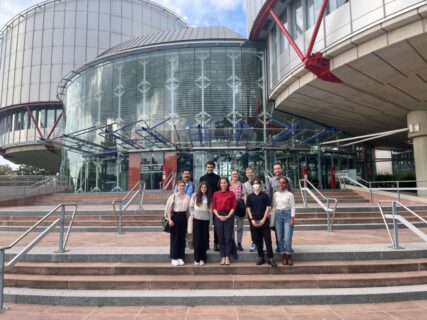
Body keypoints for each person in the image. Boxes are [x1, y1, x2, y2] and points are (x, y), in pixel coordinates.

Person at [246, 178, 276, 267]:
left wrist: (263, 219)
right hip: (254, 220)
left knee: (267, 239)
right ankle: (261, 257)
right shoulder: (250, 196)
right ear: (252, 186)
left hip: (264, 220)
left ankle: (270, 258)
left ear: (260, 184)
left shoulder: (265, 195)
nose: (256, 185)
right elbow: (248, 208)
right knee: (258, 240)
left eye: (257, 183)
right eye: (254, 183)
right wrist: (251, 219)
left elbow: (268, 207)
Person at [266, 162, 294, 252]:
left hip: (286, 209)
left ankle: (288, 246)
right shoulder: (271, 181)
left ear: (282, 169)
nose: (277, 170)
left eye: (278, 168)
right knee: (276, 228)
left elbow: (291, 193)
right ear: (273, 171)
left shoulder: (288, 180)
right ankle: (279, 245)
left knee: (288, 230)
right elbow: (269, 195)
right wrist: (269, 209)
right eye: (275, 169)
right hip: (275, 209)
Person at [165, 180, 191, 266]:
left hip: (184, 218)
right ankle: (174, 257)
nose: (181, 187)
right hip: (175, 217)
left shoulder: (188, 197)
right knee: (175, 238)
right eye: (180, 186)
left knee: (182, 238)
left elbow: (189, 210)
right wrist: (169, 219)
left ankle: (180, 256)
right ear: (177, 186)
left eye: (183, 186)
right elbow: (169, 209)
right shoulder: (173, 196)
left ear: (185, 187)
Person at [212, 177, 236, 265]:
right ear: (219, 184)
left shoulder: (231, 193)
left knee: (228, 237)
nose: (223, 184)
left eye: (225, 182)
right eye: (222, 183)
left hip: (229, 215)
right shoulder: (215, 194)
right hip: (218, 216)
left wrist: (228, 216)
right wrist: (218, 216)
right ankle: (222, 257)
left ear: (227, 183)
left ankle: (227, 257)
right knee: (221, 237)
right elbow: (213, 207)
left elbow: (234, 206)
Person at [273, 177, 296, 265]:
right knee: (279, 238)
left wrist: (292, 218)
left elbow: (293, 206)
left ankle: (289, 255)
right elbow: (274, 206)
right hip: (278, 216)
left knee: (287, 238)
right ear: (278, 183)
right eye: (280, 182)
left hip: (287, 215)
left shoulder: (290, 194)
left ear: (286, 184)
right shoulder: (275, 194)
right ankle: (283, 255)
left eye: (283, 183)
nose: (281, 184)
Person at [242, 167, 264, 253]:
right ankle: (254, 243)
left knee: (262, 226)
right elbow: (245, 197)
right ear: (246, 174)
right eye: (247, 172)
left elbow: (263, 192)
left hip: (260, 208)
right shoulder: (245, 184)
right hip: (251, 209)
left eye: (250, 172)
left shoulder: (260, 182)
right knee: (253, 227)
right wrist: (247, 208)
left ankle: (261, 244)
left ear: (253, 173)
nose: (249, 174)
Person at [200, 161, 220, 251]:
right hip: (205, 204)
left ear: (214, 168)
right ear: (206, 167)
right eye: (208, 167)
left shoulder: (217, 177)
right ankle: (206, 243)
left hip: (216, 203)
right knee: (205, 224)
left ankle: (216, 243)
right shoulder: (202, 178)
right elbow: (200, 191)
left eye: (211, 167)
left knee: (216, 224)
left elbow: (219, 191)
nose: (210, 168)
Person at [189, 181, 212, 265]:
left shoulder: (209, 197)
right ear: (200, 188)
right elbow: (191, 207)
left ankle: (203, 258)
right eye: (202, 187)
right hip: (197, 220)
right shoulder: (194, 195)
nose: (203, 189)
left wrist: (210, 223)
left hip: (205, 221)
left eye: (205, 187)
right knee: (197, 239)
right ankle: (196, 258)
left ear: (207, 188)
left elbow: (210, 212)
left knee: (204, 239)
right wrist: (192, 214)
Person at [174, 169, 196, 249]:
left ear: (190, 175)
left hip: (189, 209)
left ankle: (190, 243)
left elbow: (195, 196)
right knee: (181, 227)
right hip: (180, 210)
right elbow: (174, 196)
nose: (186, 175)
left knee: (190, 227)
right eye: (185, 173)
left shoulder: (193, 185)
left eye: (188, 173)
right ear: (182, 175)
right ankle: (182, 243)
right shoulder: (178, 185)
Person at [230, 170, 244, 251]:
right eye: (233, 174)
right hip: (230, 207)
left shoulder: (241, 184)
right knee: (231, 226)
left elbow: (244, 195)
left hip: (239, 207)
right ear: (231, 175)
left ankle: (239, 243)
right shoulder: (228, 185)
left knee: (240, 226)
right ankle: (232, 243)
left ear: (237, 175)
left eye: (235, 174)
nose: (234, 175)